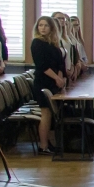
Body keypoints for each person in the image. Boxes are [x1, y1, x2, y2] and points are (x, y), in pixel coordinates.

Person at [30, 15, 67, 153]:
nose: (43, 28)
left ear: (51, 28)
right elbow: (42, 65)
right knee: (45, 113)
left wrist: (60, 78)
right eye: (40, 25)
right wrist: (57, 78)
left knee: (51, 114)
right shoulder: (36, 43)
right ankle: (43, 146)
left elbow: (60, 63)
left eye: (46, 25)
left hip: (54, 82)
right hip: (43, 82)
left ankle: (50, 143)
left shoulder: (53, 43)